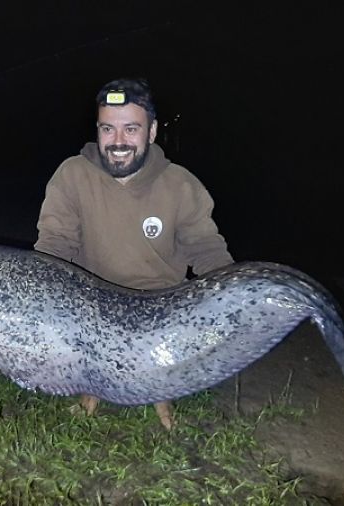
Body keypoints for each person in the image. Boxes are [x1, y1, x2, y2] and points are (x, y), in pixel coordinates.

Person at [34, 78, 235, 430]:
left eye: (131, 129)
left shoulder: (181, 183)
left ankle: (159, 388)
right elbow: (54, 247)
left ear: (152, 131)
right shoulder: (71, 174)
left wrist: (231, 296)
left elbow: (207, 251)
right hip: (88, 306)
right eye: (108, 129)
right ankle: (91, 387)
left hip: (160, 308)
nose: (119, 142)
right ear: (97, 130)